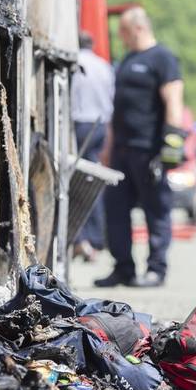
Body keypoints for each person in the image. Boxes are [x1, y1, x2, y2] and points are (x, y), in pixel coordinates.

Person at [95, 7, 185, 288]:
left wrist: (171, 146)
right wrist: (108, 150)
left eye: (122, 31)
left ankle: (156, 268)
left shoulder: (162, 59)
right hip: (122, 149)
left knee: (156, 209)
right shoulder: (127, 60)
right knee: (116, 210)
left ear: (137, 28)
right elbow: (115, 109)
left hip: (149, 151)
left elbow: (173, 101)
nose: (120, 37)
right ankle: (123, 268)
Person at [71, 31, 115, 261]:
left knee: (75, 182)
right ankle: (95, 238)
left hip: (80, 124)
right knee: (93, 180)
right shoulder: (104, 66)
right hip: (100, 125)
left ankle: (80, 239)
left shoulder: (75, 61)